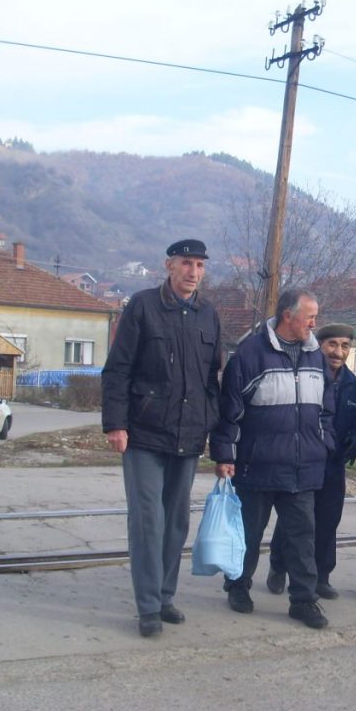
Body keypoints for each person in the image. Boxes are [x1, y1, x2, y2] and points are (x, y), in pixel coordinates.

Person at [101, 238, 222, 638]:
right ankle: (148, 605)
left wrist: (214, 429)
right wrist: (115, 424)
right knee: (148, 520)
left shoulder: (208, 315)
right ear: (169, 266)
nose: (194, 272)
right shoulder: (143, 306)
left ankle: (166, 595)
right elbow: (117, 370)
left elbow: (211, 381)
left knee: (176, 522)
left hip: (188, 433)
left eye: (200, 265)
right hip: (144, 432)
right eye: (186, 263)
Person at [211, 288, 335, 629]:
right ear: (287, 316)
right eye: (309, 316)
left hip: (303, 467)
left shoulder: (315, 356)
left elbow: (327, 407)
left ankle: (304, 601)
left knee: (302, 539)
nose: (314, 323)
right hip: (256, 466)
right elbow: (229, 413)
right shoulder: (250, 355)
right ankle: (238, 587)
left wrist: (324, 442)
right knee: (248, 535)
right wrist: (224, 454)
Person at [266, 323, 356, 600]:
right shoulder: (308, 375)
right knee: (296, 521)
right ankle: (278, 567)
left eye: (345, 346)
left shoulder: (351, 384)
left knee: (328, 521)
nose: (338, 352)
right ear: (320, 345)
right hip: (305, 460)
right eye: (332, 345)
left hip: (334, 465)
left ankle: (321, 576)